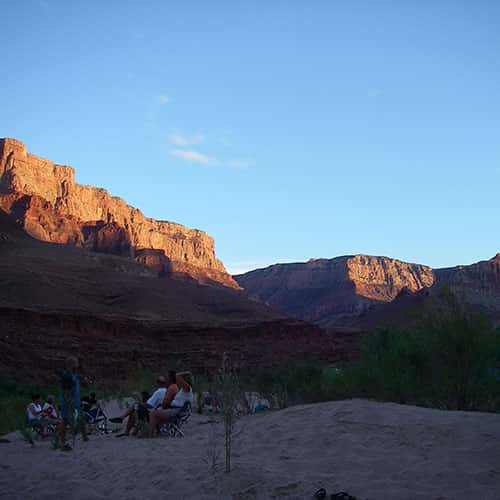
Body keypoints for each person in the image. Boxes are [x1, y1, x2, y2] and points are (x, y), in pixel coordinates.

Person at [149, 371, 193, 438]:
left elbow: (177, 376)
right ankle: (156, 433)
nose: (178, 381)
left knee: (153, 414)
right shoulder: (183, 390)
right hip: (175, 409)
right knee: (156, 413)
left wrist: (186, 373)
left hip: (177, 411)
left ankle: (151, 436)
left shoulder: (187, 389)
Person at [57, 356, 88, 450]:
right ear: (71, 364)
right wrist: (69, 403)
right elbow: (66, 391)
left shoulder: (72, 375)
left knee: (81, 418)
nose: (77, 366)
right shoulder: (67, 376)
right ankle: (61, 440)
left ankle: (85, 437)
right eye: (76, 363)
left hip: (75, 402)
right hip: (69, 403)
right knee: (65, 420)